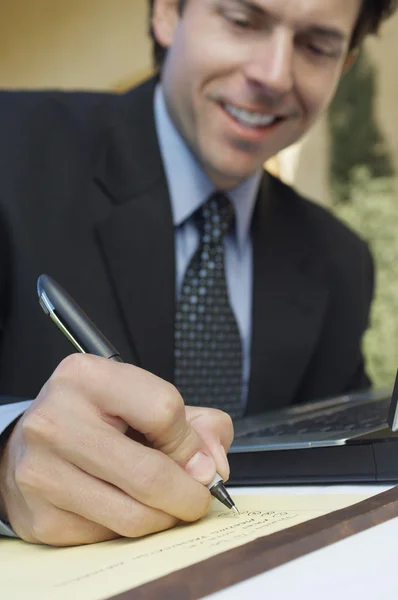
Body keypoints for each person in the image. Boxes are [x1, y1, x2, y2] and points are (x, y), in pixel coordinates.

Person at [0, 0, 396, 546]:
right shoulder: (11, 148)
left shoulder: (340, 261)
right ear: (166, 12)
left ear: (344, 65)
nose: (274, 75)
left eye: (316, 46)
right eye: (242, 21)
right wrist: (4, 461)